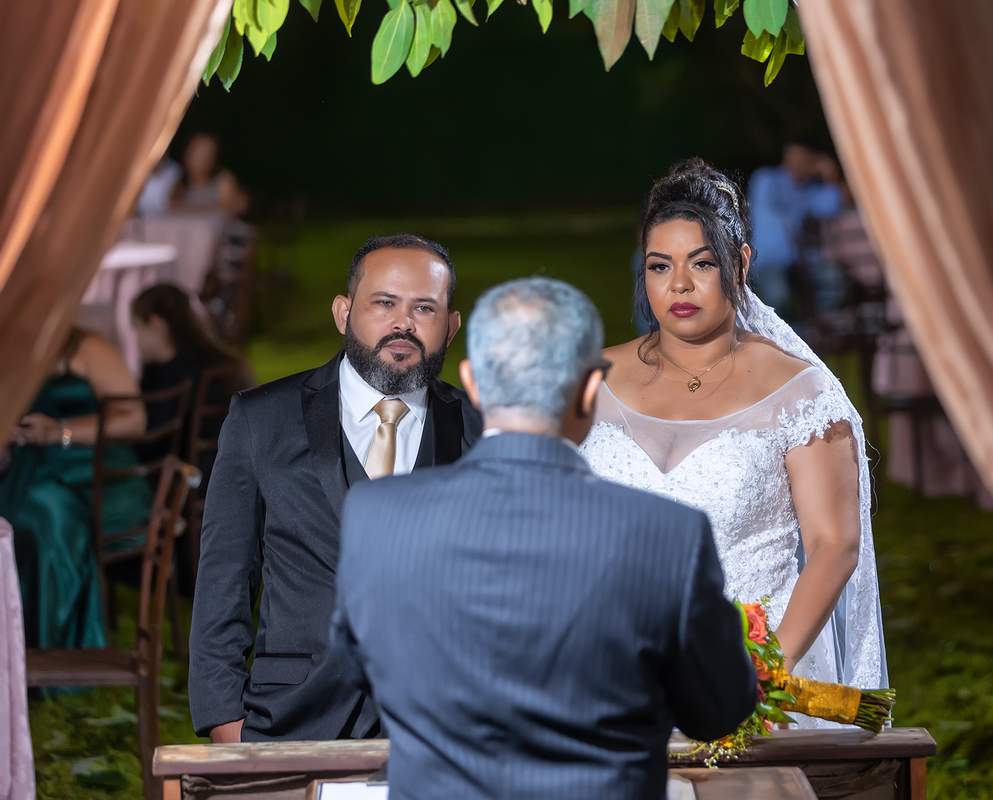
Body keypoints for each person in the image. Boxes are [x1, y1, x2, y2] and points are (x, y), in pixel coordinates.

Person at [332, 277, 756, 799]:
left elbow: (358, 665)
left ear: (474, 382)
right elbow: (719, 711)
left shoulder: (376, 516)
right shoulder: (669, 535)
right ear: (591, 386)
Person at [580, 160, 888, 723]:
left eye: (701, 263)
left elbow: (834, 544)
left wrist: (760, 675)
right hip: (614, 670)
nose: (679, 284)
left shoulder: (802, 393)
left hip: (759, 670)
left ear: (741, 263)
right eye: (659, 266)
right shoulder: (591, 379)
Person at [189, 234, 482, 743]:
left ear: (451, 326)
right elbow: (224, 579)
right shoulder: (262, 420)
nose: (404, 323)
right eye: (384, 303)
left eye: (424, 308)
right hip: (292, 721)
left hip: (443, 729)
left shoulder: (484, 430)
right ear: (343, 312)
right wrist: (225, 724)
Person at [0, 329, 150, 649]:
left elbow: (134, 420)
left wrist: (61, 431)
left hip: (97, 475)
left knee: (46, 520)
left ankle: (46, 649)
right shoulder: (12, 346)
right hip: (34, 473)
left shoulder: (86, 346)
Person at [131, 284, 252, 484]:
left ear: (155, 323)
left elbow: (149, 441)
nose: (136, 341)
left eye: (136, 327)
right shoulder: (218, 364)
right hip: (234, 475)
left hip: (188, 482)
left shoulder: (166, 377)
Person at [747, 136, 843, 318]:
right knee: (778, 296)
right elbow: (771, 222)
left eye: (806, 158)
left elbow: (832, 205)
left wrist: (831, 178)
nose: (799, 162)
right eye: (796, 156)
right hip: (768, 261)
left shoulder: (809, 190)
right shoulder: (766, 179)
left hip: (801, 262)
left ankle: (821, 328)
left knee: (833, 279)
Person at [171, 133, 248, 216]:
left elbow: (229, 209)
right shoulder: (177, 179)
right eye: (199, 154)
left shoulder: (223, 179)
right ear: (187, 155)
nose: (204, 159)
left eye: (208, 153)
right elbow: (171, 206)